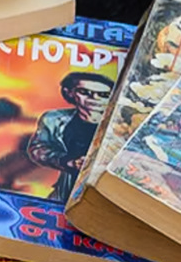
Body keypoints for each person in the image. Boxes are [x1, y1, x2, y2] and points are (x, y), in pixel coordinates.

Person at [24, 72, 114, 203]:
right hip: (66, 190)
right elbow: (38, 149)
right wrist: (68, 162)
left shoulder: (122, 123)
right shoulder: (53, 119)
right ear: (70, 93)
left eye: (103, 95)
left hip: (107, 191)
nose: (94, 98)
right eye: (84, 92)